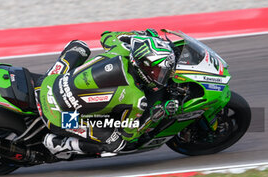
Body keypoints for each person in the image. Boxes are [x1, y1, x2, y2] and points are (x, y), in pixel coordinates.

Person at [34, 29, 179, 158]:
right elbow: (130, 132)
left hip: (48, 82)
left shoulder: (120, 48)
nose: (161, 77)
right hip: (58, 116)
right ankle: (60, 144)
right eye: (158, 72)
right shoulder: (136, 98)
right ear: (143, 65)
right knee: (117, 143)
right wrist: (157, 114)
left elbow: (106, 36)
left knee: (79, 46)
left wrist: (138, 35)